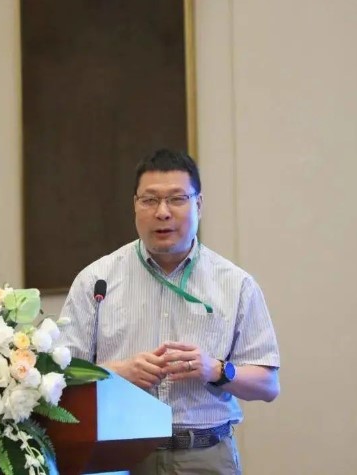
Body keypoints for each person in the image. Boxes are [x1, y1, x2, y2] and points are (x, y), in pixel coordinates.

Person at [58, 148, 280, 474]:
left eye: (176, 199)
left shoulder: (236, 284)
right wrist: (117, 373)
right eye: (150, 200)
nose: (162, 212)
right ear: (134, 205)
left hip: (204, 455)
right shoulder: (96, 280)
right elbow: (58, 377)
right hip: (118, 455)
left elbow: (268, 385)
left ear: (199, 205)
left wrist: (215, 370)